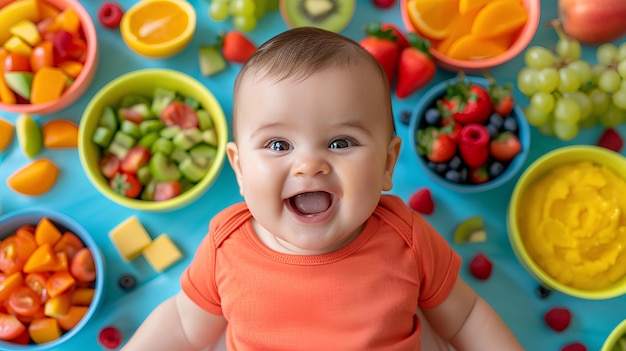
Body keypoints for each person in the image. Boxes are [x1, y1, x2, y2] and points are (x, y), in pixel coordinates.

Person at [121, 27, 523, 351]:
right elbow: (183, 326)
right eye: (278, 145)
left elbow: (467, 318)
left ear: (386, 164)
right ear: (240, 169)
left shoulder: (408, 237)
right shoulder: (226, 245)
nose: (310, 164)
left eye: (341, 143)